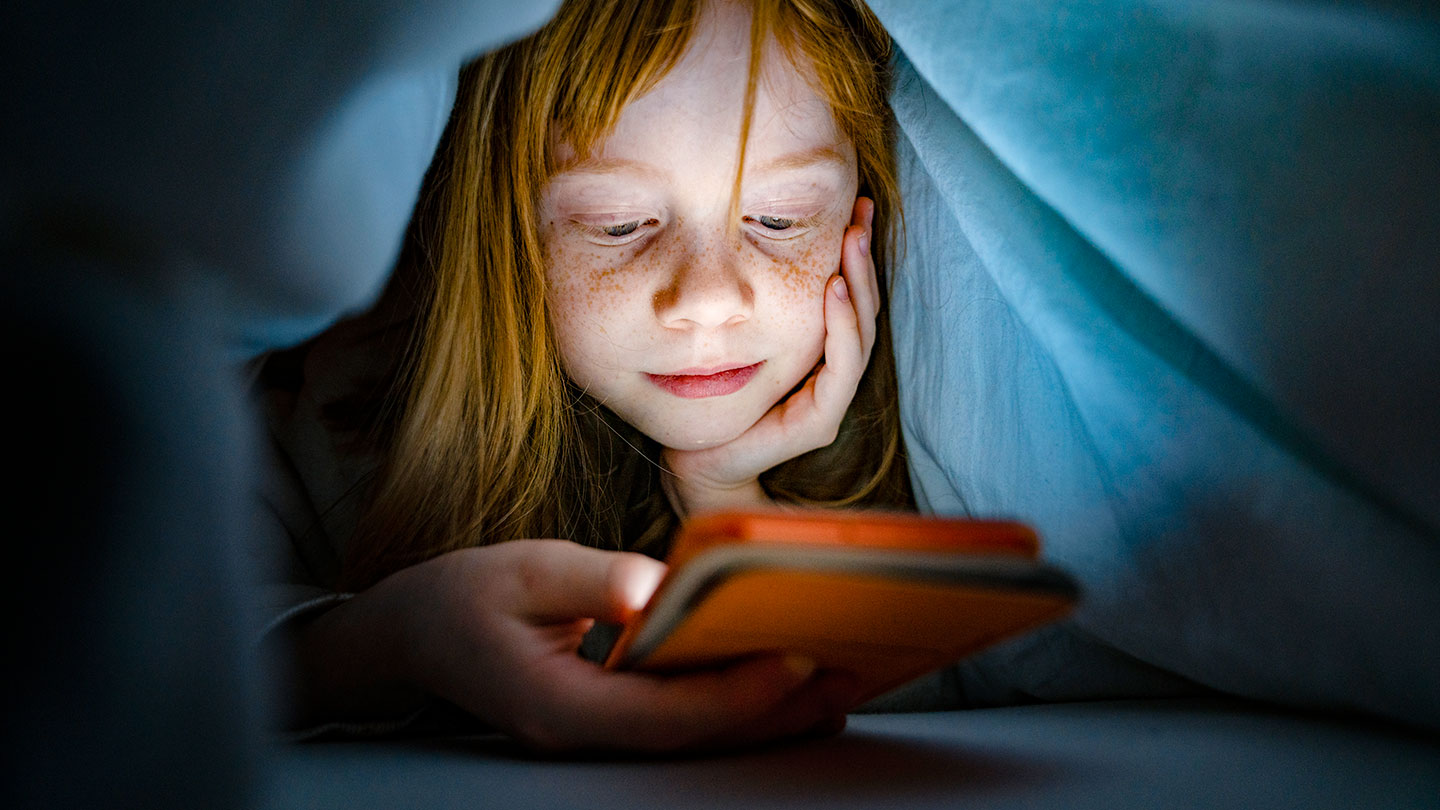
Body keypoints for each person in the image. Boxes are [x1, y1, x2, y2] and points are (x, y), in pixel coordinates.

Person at [254, 0, 911, 753]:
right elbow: (128, 652)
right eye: (619, 225)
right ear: (506, 223)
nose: (706, 301)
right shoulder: (348, 432)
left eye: (780, 218)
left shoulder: (913, 464)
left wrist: (724, 501)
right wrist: (393, 639)